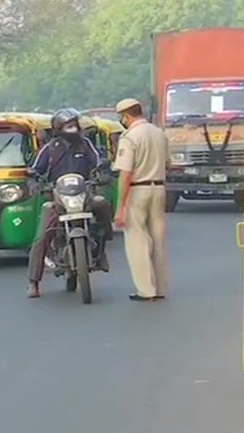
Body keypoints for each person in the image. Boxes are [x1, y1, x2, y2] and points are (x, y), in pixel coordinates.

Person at [27, 108, 113, 298]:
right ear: (59, 128)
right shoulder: (49, 148)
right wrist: (33, 181)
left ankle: (103, 243)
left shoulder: (86, 144)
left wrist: (104, 172)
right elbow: (35, 170)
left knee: (102, 204)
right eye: (69, 125)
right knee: (42, 237)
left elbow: (99, 161)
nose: (73, 129)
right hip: (58, 199)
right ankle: (33, 282)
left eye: (75, 125)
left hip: (85, 195)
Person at [113, 98, 169, 301]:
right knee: (158, 239)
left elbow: (125, 174)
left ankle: (146, 290)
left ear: (126, 116)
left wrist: (120, 208)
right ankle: (161, 288)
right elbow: (168, 163)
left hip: (138, 190)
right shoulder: (159, 133)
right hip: (159, 188)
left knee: (138, 241)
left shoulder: (130, 137)